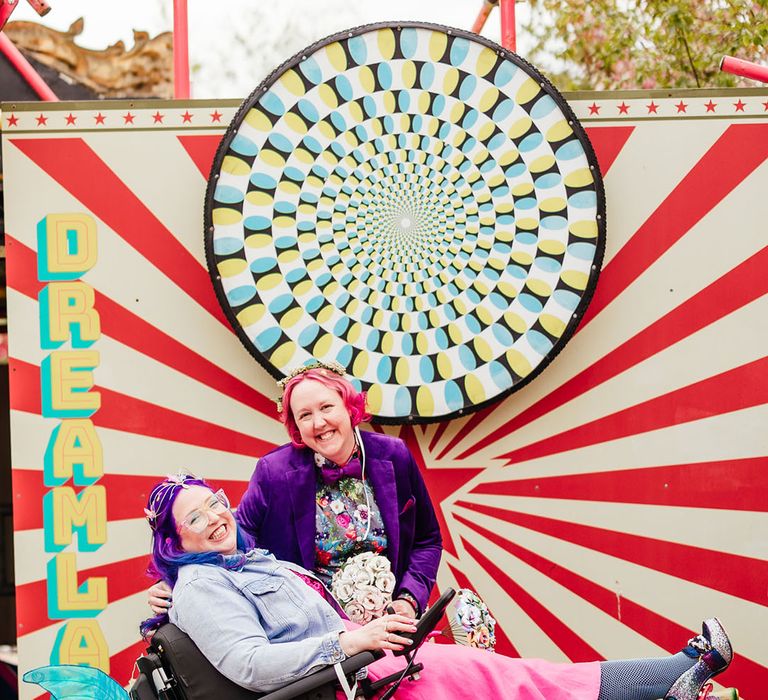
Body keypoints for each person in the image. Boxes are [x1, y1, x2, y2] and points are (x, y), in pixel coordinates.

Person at [140, 474, 734, 700]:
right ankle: (671, 677)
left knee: (518, 678)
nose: (217, 516)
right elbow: (251, 665)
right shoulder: (199, 587)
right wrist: (352, 643)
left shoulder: (246, 563)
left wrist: (376, 628)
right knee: (509, 679)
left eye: (217, 501)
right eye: (196, 517)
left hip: (370, 665)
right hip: (350, 684)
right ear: (174, 540)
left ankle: (670, 678)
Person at [149, 361, 442, 620]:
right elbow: (233, 539)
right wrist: (177, 576)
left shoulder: (394, 455)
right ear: (295, 427)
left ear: (349, 407)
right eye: (305, 415)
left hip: (396, 621)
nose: (319, 423)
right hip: (316, 631)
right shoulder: (273, 472)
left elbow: (427, 540)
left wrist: (408, 600)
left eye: (327, 407)